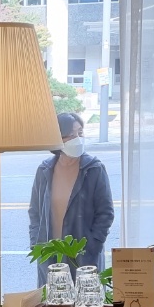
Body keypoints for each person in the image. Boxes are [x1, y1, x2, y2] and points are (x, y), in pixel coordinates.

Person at [28, 112, 115, 285]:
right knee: (52, 300)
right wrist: (36, 244)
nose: (78, 139)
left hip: (83, 255)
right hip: (50, 253)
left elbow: (105, 213)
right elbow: (35, 211)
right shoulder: (45, 170)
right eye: (71, 135)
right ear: (57, 138)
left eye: (80, 133)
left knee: (84, 299)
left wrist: (93, 245)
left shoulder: (93, 169)